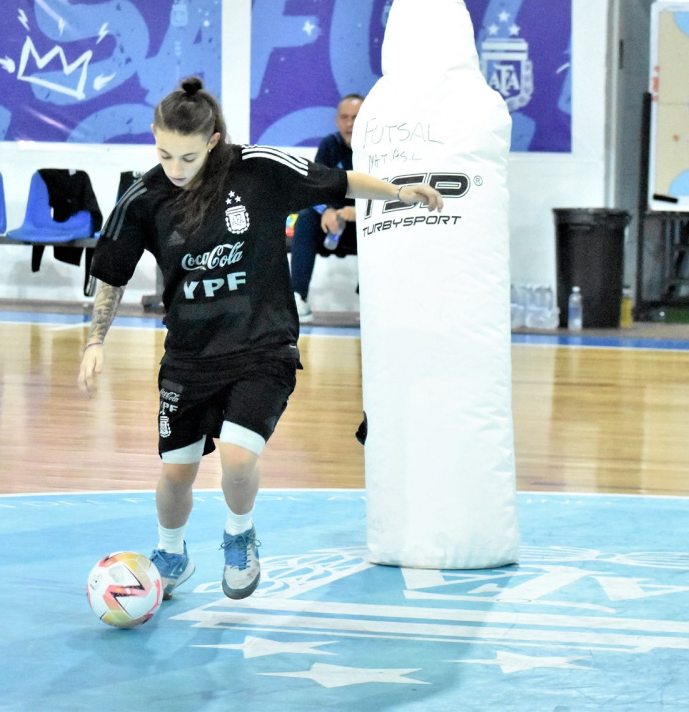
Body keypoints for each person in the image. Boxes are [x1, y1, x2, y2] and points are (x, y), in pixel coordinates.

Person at [76, 77, 442, 600]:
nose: (175, 169)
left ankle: (239, 536)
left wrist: (400, 192)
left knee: (239, 457)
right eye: (164, 154)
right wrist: (95, 342)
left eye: (187, 156)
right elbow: (112, 273)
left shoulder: (260, 170)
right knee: (177, 473)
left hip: (262, 347)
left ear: (213, 141)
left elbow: (339, 183)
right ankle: (172, 555)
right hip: (189, 357)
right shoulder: (145, 196)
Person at [290, 94, 363, 323]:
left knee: (384, 230)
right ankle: (297, 297)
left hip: (365, 224)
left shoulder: (379, 148)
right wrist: (328, 211)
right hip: (334, 224)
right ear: (337, 120)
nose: (350, 124)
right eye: (345, 117)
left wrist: (359, 214)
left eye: (356, 118)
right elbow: (313, 188)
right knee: (306, 217)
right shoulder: (330, 145)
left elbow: (388, 195)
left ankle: (371, 302)